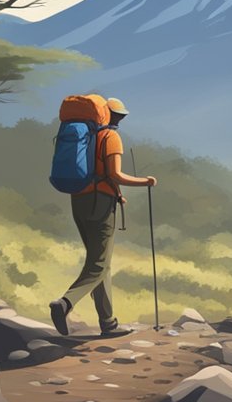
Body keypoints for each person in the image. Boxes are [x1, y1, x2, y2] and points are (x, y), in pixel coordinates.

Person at [50, 97, 156, 337]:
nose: (119, 119)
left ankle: (108, 323)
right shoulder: (109, 137)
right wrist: (146, 182)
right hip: (100, 204)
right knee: (99, 264)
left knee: (99, 262)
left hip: (79, 200)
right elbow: (115, 174)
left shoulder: (85, 136)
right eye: (117, 115)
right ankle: (65, 303)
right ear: (107, 114)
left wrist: (116, 194)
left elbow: (99, 173)